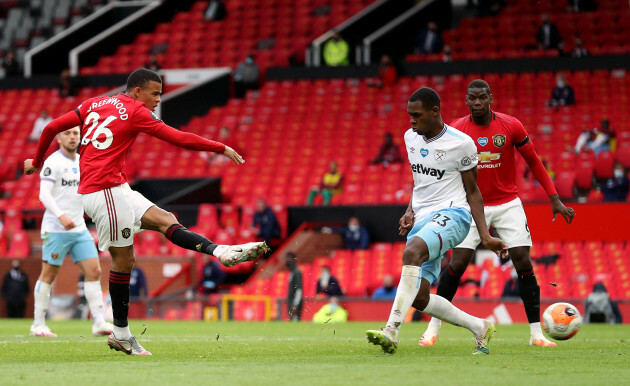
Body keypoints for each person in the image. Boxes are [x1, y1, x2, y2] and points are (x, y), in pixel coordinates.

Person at [24, 68, 269, 355]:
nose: (158, 100)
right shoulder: (136, 111)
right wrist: (220, 147)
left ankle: (220, 252)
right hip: (103, 192)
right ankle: (121, 333)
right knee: (124, 259)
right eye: (155, 93)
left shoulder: (93, 103)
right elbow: (177, 138)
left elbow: (51, 126)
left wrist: (37, 160)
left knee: (166, 219)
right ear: (137, 91)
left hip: (116, 188)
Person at [418, 80, 575, 348]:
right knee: (458, 263)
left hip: (507, 203)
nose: (477, 103)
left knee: (523, 261)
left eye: (482, 98)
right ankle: (433, 328)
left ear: (491, 98)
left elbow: (534, 161)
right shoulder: (456, 130)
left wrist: (555, 198)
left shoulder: (511, 125)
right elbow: (438, 168)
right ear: (466, 101)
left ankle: (536, 334)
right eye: (472, 98)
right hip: (469, 205)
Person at [366, 87, 508, 355]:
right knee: (419, 298)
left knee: (412, 252)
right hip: (422, 219)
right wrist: (410, 210)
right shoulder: (410, 138)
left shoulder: (461, 143)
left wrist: (485, 235)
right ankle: (480, 327)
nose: (411, 121)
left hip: (454, 215)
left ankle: (391, 331)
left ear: (434, 112)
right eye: (409, 115)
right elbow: (420, 180)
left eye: (417, 115)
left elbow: (473, 191)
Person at [30, 126, 114, 338]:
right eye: (67, 133)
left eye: (75, 133)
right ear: (58, 138)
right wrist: (60, 215)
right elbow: (44, 194)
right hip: (56, 229)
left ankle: (98, 323)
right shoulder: (53, 162)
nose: (72, 137)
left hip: (79, 228)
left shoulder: (83, 161)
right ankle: (38, 324)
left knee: (94, 271)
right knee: (49, 275)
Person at [285, 252, 303, 321]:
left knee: (295, 322)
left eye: (288, 259)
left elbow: (299, 289)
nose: (287, 261)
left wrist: (295, 304)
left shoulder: (297, 272)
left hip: (295, 302)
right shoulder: (292, 272)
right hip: (291, 301)